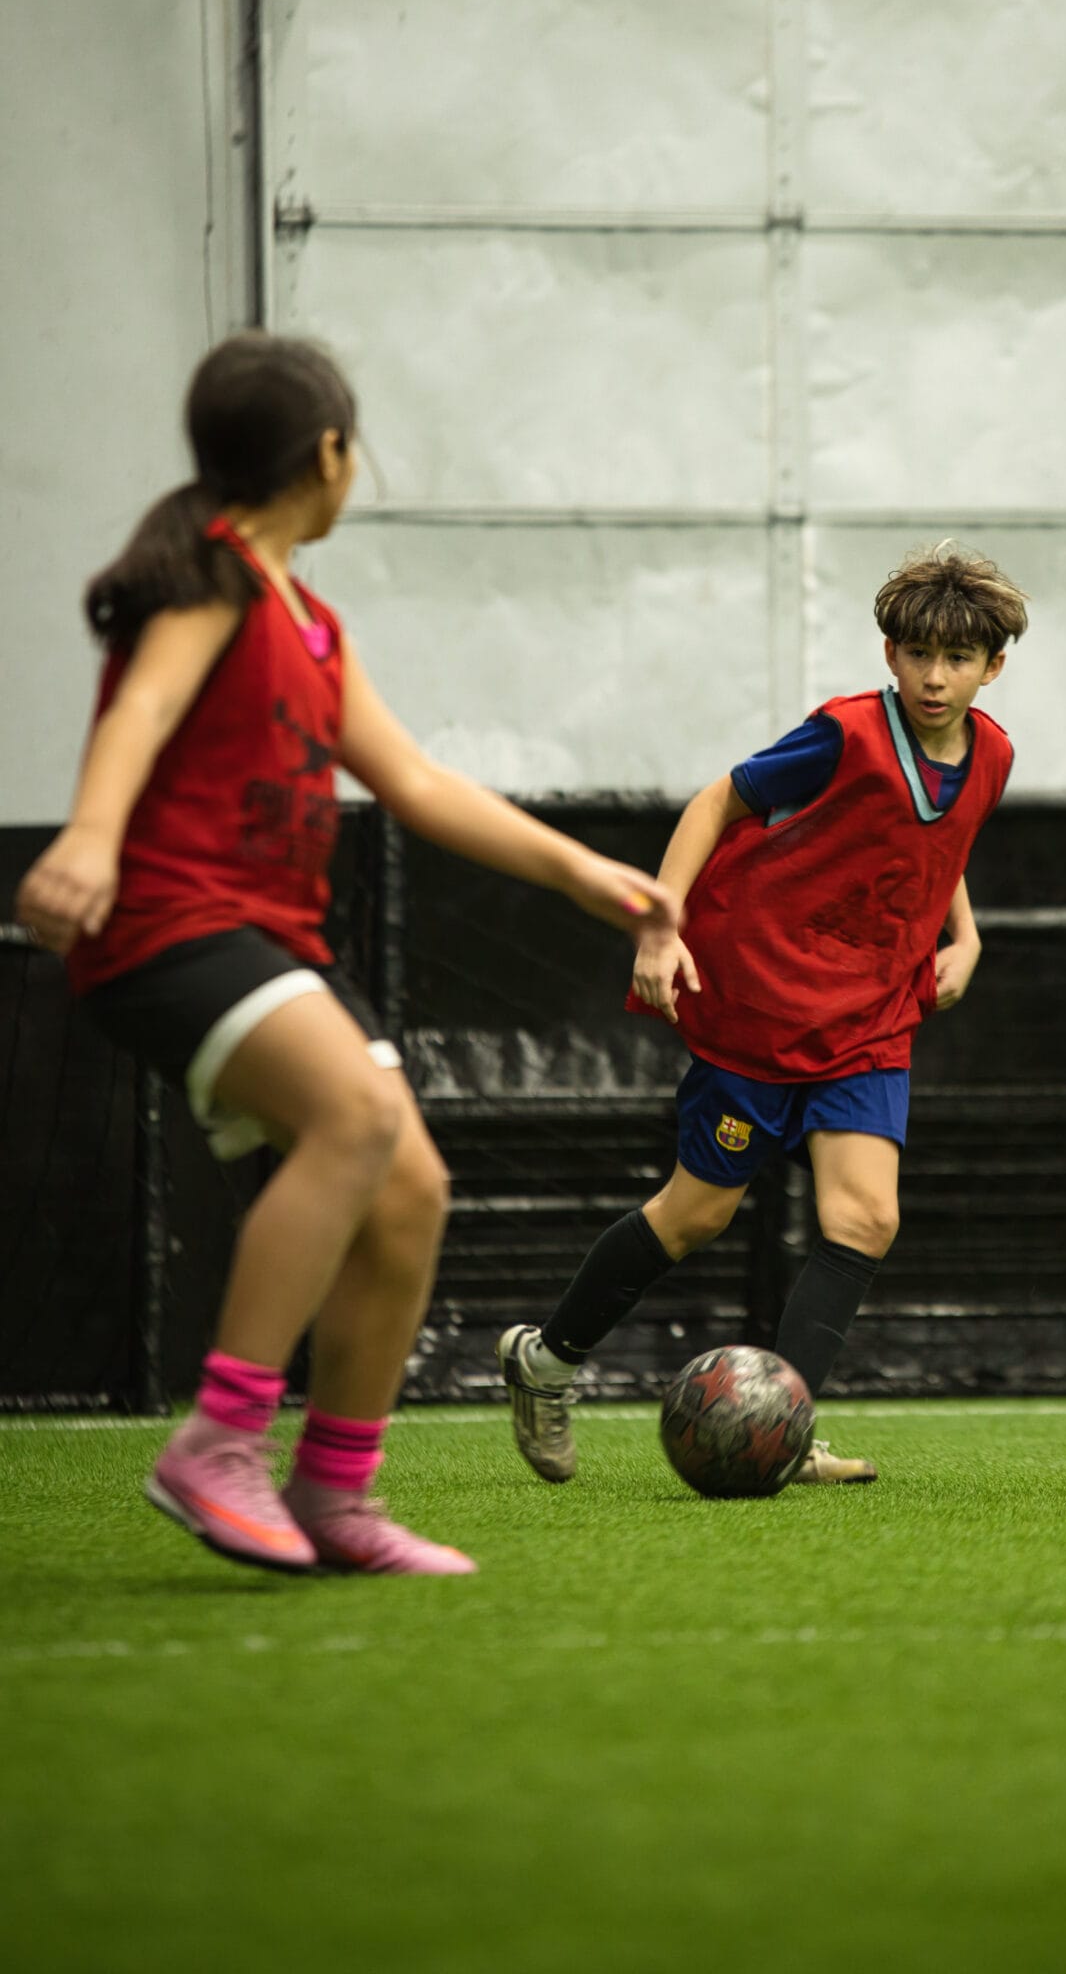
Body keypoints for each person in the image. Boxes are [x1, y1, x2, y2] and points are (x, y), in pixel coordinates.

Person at [15, 333, 678, 1578]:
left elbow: (416, 782)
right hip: (169, 925)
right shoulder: (210, 580)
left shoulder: (311, 621)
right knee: (361, 1114)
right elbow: (144, 708)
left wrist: (588, 873)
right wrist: (91, 839)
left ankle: (334, 1492)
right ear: (327, 453)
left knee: (410, 1190)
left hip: (267, 942)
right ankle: (220, 1441)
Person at [499, 543, 1028, 1486]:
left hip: (869, 1018)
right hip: (760, 1001)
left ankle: (783, 1433)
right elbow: (718, 800)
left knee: (864, 1218)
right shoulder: (843, 736)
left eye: (957, 659)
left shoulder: (992, 755)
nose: (934, 676)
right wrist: (660, 932)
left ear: (994, 665)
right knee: (695, 1215)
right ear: (888, 653)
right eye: (916, 653)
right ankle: (544, 1361)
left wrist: (968, 936)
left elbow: (935, 848)